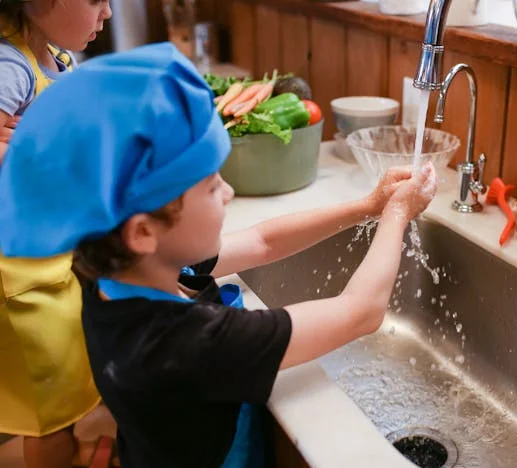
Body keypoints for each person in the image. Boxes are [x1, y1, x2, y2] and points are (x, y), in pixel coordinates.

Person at [0, 43, 437, 467]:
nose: (228, 193)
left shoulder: (116, 271)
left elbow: (264, 241)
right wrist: (397, 214)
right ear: (143, 231)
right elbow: (361, 311)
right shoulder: (190, 341)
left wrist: (368, 205)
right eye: (211, 185)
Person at [0, 1, 113, 467]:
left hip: (56, 262)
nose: (106, 14)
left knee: (72, 393)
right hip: (23, 277)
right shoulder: (10, 65)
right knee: (50, 414)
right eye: (95, 0)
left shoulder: (59, 57)